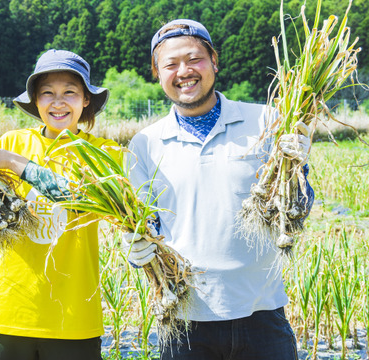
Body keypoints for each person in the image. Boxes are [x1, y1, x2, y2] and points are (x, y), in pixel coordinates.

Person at [124, 19, 314, 359]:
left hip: (261, 312)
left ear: (214, 60)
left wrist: (298, 171)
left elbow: (297, 208)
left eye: (194, 58)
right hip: (183, 319)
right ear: (157, 73)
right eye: (170, 64)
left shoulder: (267, 121)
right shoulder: (145, 144)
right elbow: (146, 222)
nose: (184, 71)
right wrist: (137, 245)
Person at [0, 49, 121, 360]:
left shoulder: (103, 152)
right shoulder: (11, 143)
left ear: (85, 100)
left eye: (70, 92)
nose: (58, 102)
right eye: (47, 93)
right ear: (36, 101)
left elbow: (80, 198)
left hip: (73, 318)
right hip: (6, 311)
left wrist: (14, 163)